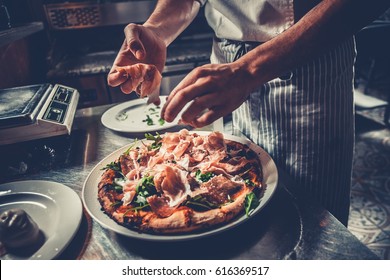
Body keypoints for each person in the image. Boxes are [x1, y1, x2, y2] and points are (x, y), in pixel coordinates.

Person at [107, 0, 390, 226]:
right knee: (244, 229)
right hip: (226, 66)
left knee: (311, 226)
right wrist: (157, 30)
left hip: (306, 64)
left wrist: (249, 69)